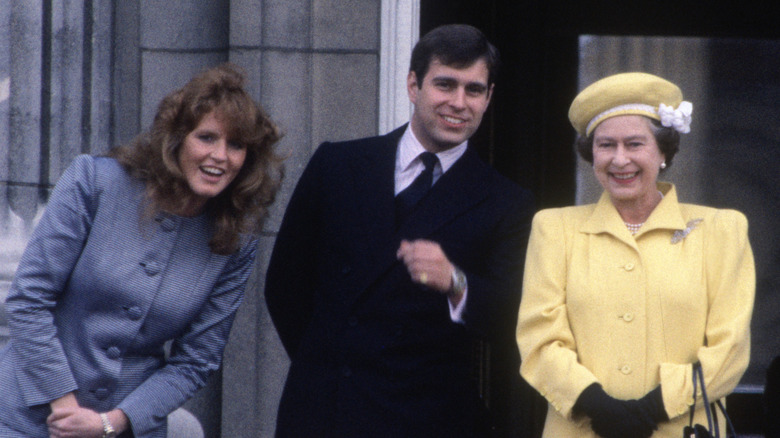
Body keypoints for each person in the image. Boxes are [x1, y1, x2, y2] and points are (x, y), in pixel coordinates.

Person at [265, 24, 534, 437]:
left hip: (428, 417)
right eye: (445, 84)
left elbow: (516, 319)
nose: (459, 103)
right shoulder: (338, 165)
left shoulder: (507, 203)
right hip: (325, 411)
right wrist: (330, 366)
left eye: (474, 90)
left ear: (489, 98)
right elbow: (285, 285)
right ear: (413, 85)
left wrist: (456, 282)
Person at [0, 63, 283, 437]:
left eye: (236, 145)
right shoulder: (95, 181)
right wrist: (67, 410)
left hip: (127, 425)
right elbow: (28, 301)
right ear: (177, 138)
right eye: (207, 137)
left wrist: (111, 423)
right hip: (29, 415)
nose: (220, 155)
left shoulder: (235, 239)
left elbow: (197, 360)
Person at [516, 72, 755, 437]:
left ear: (663, 151)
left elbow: (730, 349)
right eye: (606, 145)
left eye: (634, 144)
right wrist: (598, 407)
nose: (619, 159)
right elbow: (539, 340)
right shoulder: (554, 229)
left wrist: (653, 409)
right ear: (591, 154)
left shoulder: (721, 230)